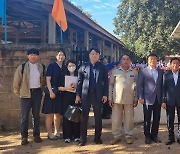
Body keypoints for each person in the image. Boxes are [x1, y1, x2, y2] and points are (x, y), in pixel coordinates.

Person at [75, 48, 109, 146]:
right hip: (86, 94)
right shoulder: (83, 66)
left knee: (98, 117)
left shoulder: (102, 67)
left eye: (96, 54)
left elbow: (105, 82)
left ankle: (97, 138)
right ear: (89, 55)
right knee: (84, 117)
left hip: (97, 95)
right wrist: (78, 95)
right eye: (92, 54)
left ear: (99, 55)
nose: (94, 55)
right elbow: (79, 82)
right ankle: (83, 139)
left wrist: (105, 94)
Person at [13, 48, 45, 145]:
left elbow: (43, 80)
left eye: (35, 54)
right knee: (24, 117)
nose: (33, 56)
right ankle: (24, 137)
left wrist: (41, 92)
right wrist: (20, 93)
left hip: (37, 93)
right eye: (31, 54)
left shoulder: (41, 67)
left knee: (36, 116)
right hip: (25, 94)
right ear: (27, 56)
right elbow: (16, 82)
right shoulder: (22, 67)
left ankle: (36, 135)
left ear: (38, 56)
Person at [109, 54, 138, 145]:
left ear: (130, 61)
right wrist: (110, 97)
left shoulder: (134, 72)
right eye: (124, 59)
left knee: (129, 119)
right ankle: (116, 136)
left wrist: (136, 98)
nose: (125, 61)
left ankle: (128, 135)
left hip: (129, 100)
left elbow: (136, 87)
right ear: (121, 61)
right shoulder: (115, 71)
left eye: (127, 59)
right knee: (116, 119)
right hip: (117, 99)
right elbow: (111, 85)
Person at [137, 53, 163, 144]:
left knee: (156, 118)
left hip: (158, 98)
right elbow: (139, 85)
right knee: (147, 119)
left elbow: (161, 85)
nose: (153, 61)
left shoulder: (160, 71)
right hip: (147, 98)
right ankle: (147, 136)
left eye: (154, 59)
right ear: (148, 61)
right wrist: (140, 97)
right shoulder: (143, 71)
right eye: (151, 59)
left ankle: (154, 135)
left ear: (157, 60)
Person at [42, 50, 67, 140]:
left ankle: (57, 131)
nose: (61, 57)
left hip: (61, 93)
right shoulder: (52, 66)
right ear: (56, 56)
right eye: (59, 55)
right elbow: (48, 80)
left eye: (63, 55)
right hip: (51, 92)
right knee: (49, 114)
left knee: (58, 114)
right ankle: (49, 133)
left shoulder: (65, 67)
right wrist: (51, 92)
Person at [162, 57, 180, 145]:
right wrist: (163, 101)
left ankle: (179, 137)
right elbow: (163, 89)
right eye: (174, 63)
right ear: (170, 65)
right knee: (170, 119)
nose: (175, 65)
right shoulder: (166, 75)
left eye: (177, 63)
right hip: (169, 101)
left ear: (179, 65)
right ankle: (171, 137)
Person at [62, 60, 80, 143]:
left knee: (76, 116)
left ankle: (76, 135)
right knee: (67, 116)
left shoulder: (79, 75)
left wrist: (78, 93)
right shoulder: (63, 76)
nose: (71, 67)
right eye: (69, 66)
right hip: (65, 97)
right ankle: (67, 136)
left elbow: (82, 85)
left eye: (73, 65)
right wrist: (67, 88)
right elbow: (59, 87)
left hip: (76, 97)